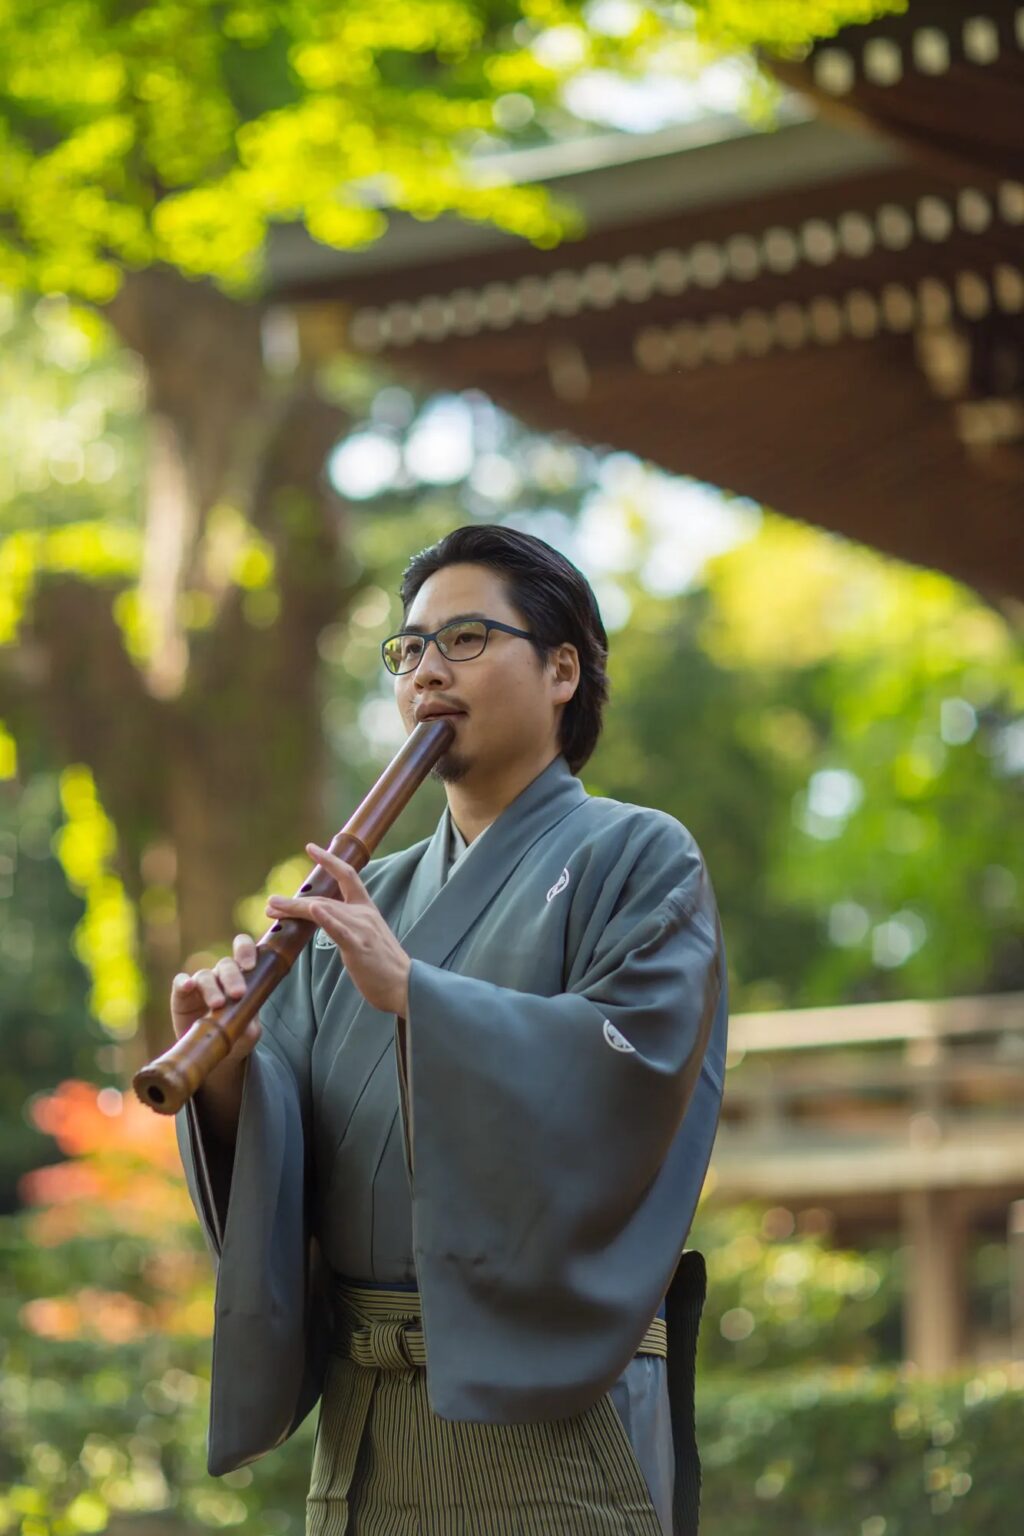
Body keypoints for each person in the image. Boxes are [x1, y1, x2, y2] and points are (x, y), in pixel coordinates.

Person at [172, 523, 728, 1536]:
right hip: (370, 1405)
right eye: (412, 648)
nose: (429, 670)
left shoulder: (636, 857)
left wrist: (416, 993)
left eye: (466, 639)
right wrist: (227, 1071)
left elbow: (632, 1069)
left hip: (554, 1401)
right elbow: (299, 1134)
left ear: (562, 669)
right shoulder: (364, 894)